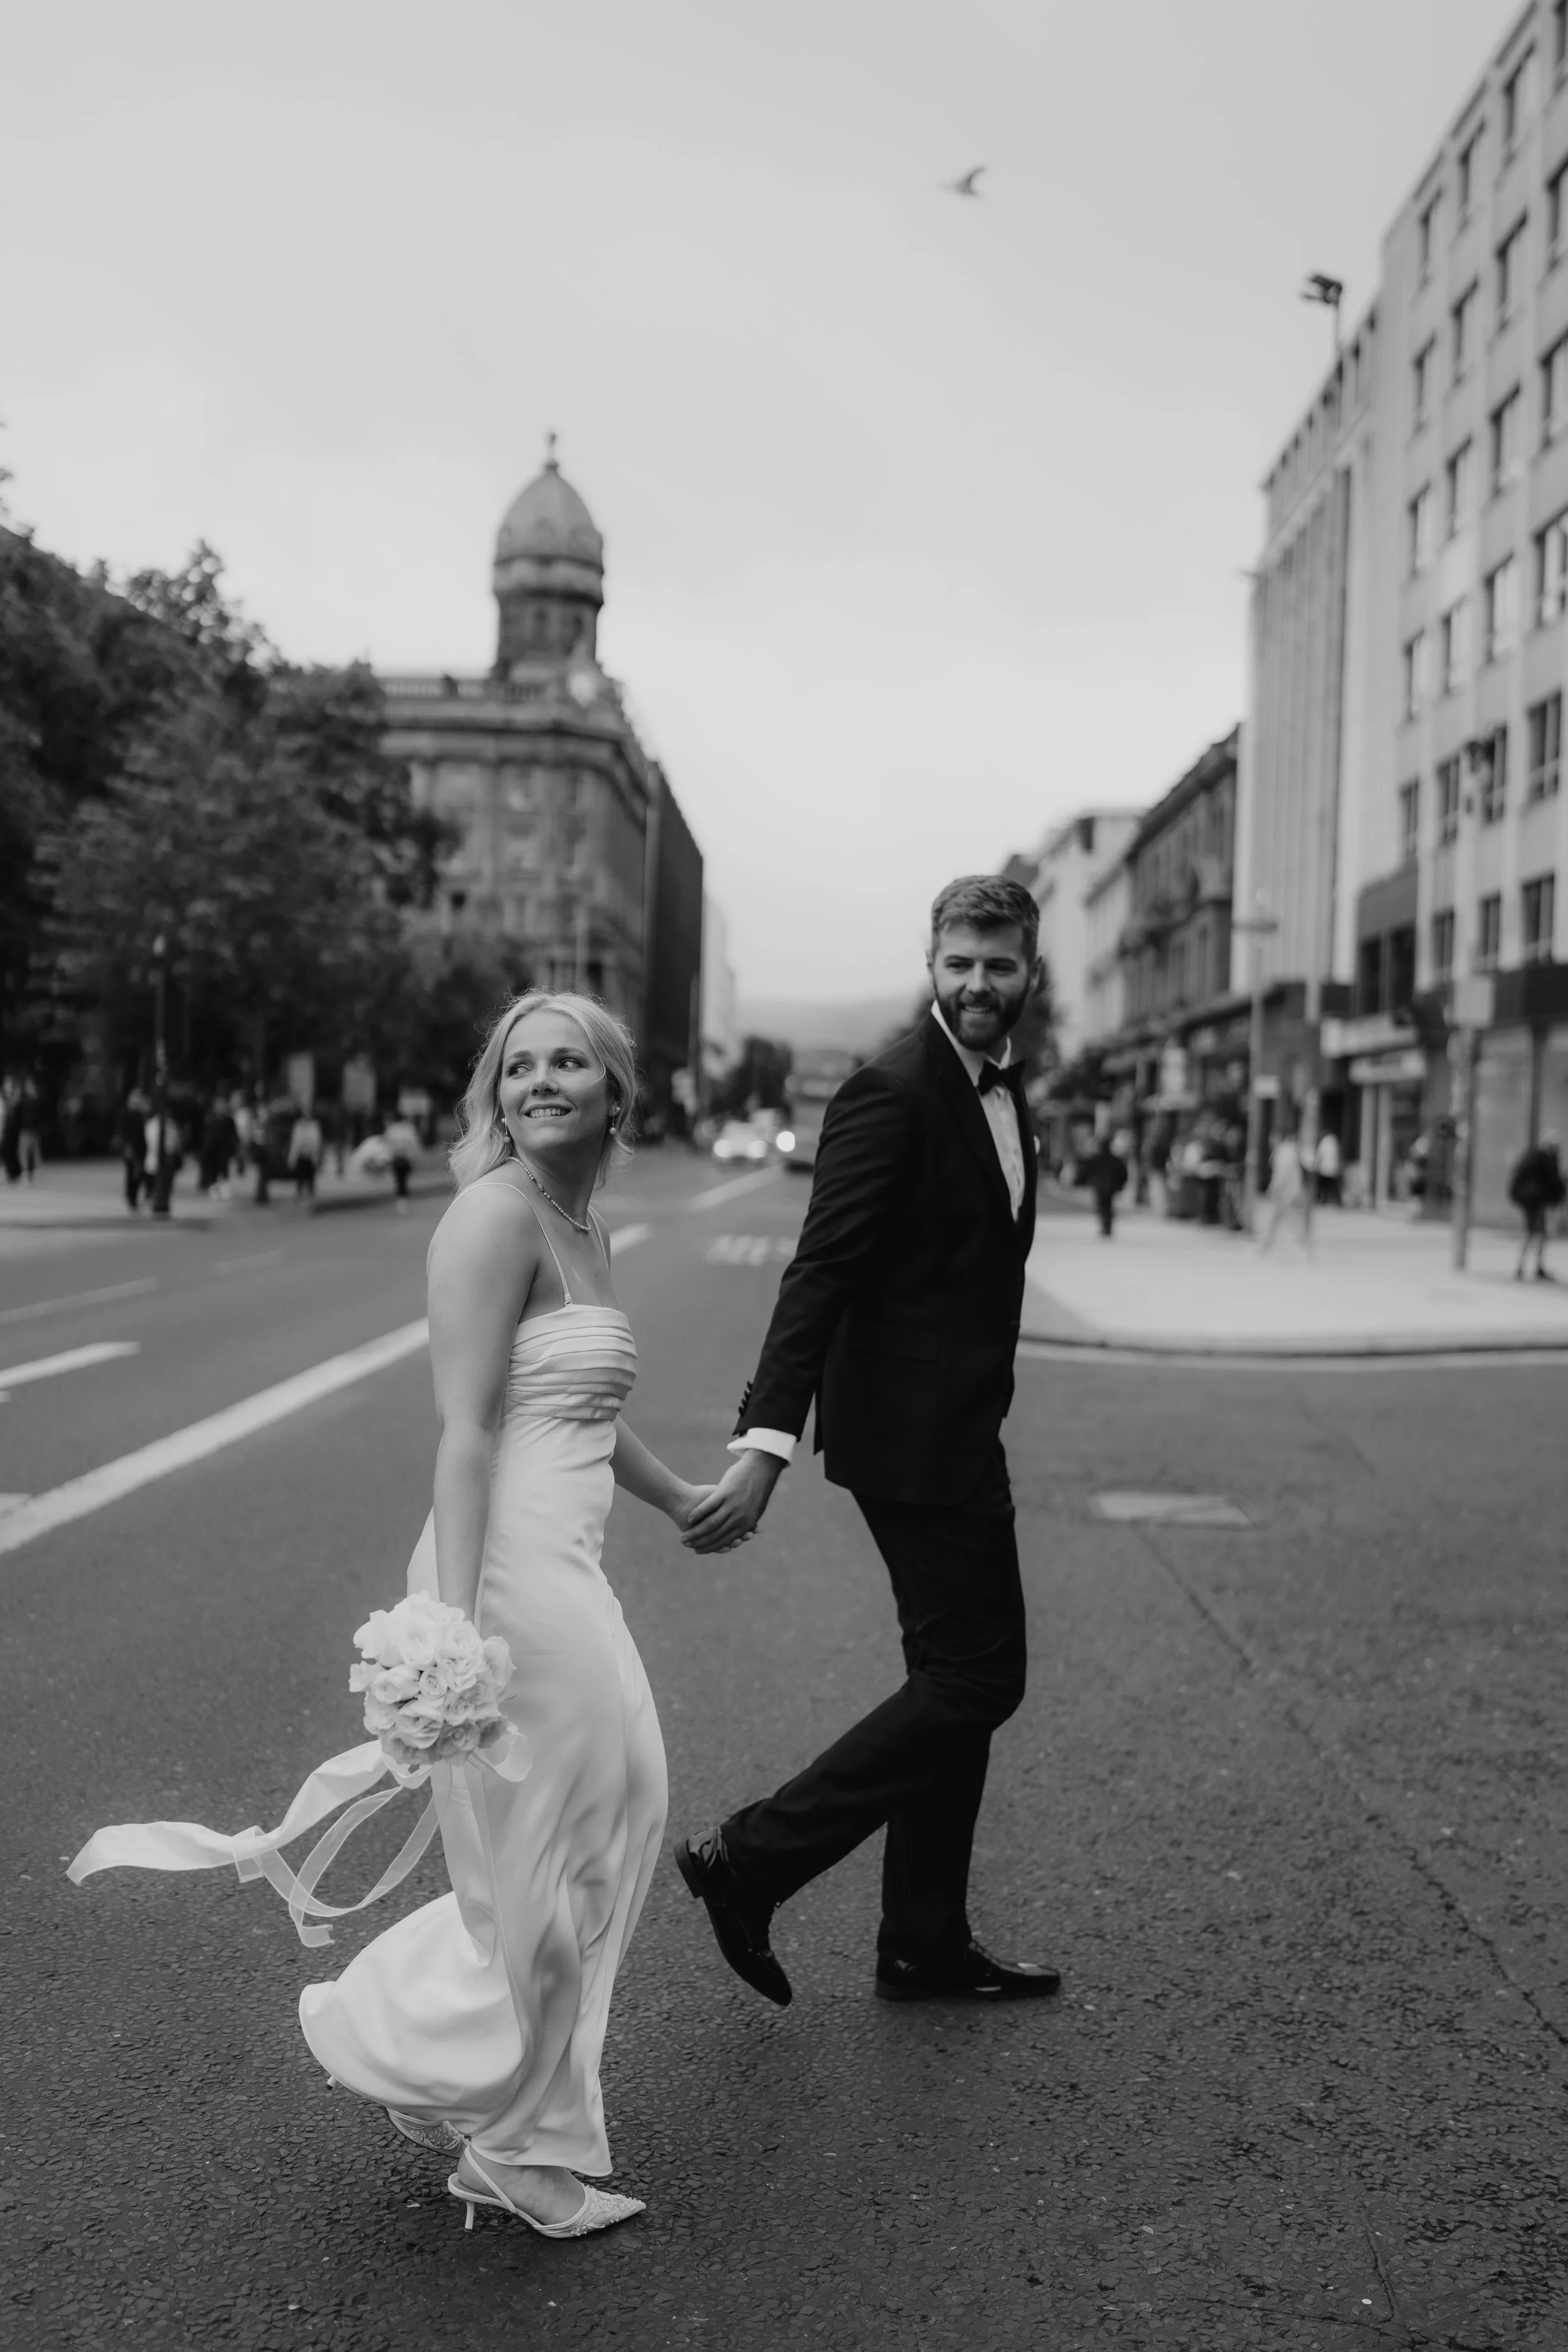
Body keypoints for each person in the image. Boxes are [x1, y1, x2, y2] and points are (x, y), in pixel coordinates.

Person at [68, 992, 714, 2239]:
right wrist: (456, 1627)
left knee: (605, 1814)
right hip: (509, 1573)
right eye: (517, 1065)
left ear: (616, 1090)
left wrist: (680, 1494)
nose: (538, 1081)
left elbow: (574, 1407)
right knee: (566, 1830)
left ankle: (449, 2074)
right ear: (495, 1095)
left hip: (568, 1564)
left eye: (566, 1060)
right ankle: (512, 2142)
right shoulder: (492, 1215)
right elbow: (467, 1432)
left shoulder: (584, 1226)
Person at [675, 874, 1060, 2010]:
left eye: (998, 964)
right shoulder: (893, 1090)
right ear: (930, 965)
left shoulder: (996, 1087)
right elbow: (822, 1273)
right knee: (983, 1673)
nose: (978, 983)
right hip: (911, 1435)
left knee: (955, 1678)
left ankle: (923, 1941)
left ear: (1029, 970)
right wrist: (764, 1440)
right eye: (960, 963)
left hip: (956, 1421)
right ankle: (752, 1858)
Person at [1508, 1129, 1566, 1281]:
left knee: (1537, 1234)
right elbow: (1554, 1182)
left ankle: (1530, 1266)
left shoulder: (1535, 1157)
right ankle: (1525, 1266)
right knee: (1534, 1233)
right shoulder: (1544, 1159)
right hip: (1536, 1203)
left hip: (1534, 1202)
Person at [1258, 1123, 1311, 1253]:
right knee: (1278, 1219)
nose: (1270, 1141)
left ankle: (1304, 1245)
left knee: (1290, 1220)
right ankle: (1267, 1245)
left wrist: (1273, 1188)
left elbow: (1281, 1174)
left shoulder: (1282, 1153)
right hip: (1291, 1192)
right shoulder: (1289, 1151)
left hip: (1287, 1193)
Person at [1083, 1131, 1128, 1238]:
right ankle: (1107, 1225)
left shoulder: (1096, 1159)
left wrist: (1088, 1181)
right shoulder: (1116, 1160)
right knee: (1108, 1206)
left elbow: (1087, 1171)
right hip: (1111, 1187)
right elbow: (1124, 1174)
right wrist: (1120, 1186)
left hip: (1100, 1187)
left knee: (1102, 1206)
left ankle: (1105, 1225)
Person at [384, 1113, 421, 1210]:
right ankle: (402, 1197)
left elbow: (388, 1143)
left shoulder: (393, 1129)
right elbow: (414, 1142)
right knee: (402, 1178)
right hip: (403, 1157)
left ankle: (401, 1197)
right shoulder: (408, 1128)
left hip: (401, 1157)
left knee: (401, 1178)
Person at [287, 1105, 324, 1202]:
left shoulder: (315, 1125)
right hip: (301, 1155)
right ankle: (299, 1197)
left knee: (311, 1178)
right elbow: (295, 1142)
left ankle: (311, 1199)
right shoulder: (298, 1125)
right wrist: (292, 1157)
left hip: (311, 1156)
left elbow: (318, 1142)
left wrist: (318, 1157)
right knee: (300, 1178)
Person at [1315, 1127, 1342, 1207]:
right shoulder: (1334, 1141)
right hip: (1332, 1168)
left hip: (1325, 1169)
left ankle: (1323, 1200)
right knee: (1333, 1186)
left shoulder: (1325, 1142)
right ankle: (1337, 1201)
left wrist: (1317, 1166)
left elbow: (1320, 1155)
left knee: (1324, 1187)